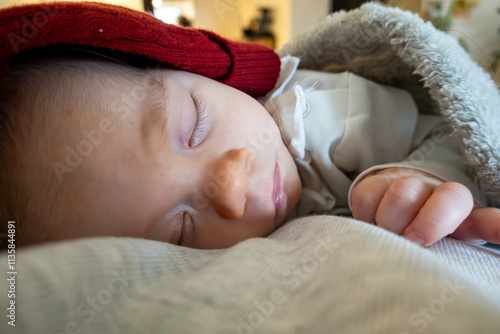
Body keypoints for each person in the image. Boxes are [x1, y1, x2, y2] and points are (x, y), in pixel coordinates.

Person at [1, 2, 499, 249]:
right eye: (181, 232)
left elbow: (450, 130)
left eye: (194, 125)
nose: (233, 185)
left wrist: (422, 178)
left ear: (198, 68)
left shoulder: (323, 114)